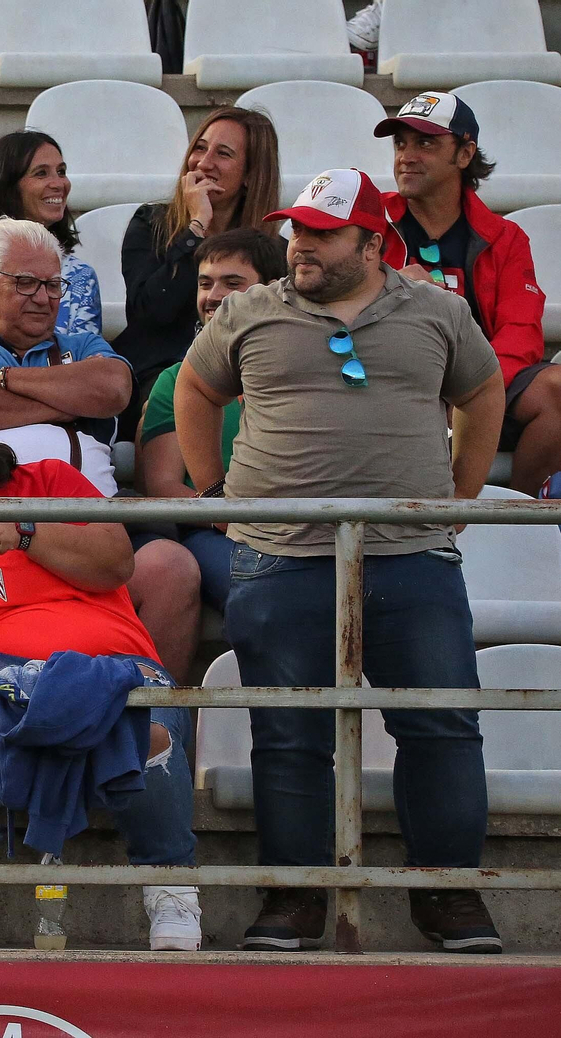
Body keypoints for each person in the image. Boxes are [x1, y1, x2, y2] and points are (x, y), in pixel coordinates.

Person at [174, 168, 507, 953]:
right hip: (281, 554)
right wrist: (216, 492)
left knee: (442, 725)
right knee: (289, 734)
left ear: (372, 240)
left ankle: (449, 896)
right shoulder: (249, 311)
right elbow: (193, 389)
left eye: (322, 234)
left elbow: (485, 394)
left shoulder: (438, 311)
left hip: (409, 554)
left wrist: (456, 500)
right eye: (298, 232)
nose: (301, 247)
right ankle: (294, 900)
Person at [0, 393, 200, 952]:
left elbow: (115, 563)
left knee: (150, 726)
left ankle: (170, 884)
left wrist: (27, 530)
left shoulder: (45, 480)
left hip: (112, 658)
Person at [0, 216, 201, 681]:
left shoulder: (81, 343)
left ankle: (160, 730)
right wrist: (63, 402)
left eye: (53, 285)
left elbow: (112, 390)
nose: (44, 298)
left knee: (172, 568)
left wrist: (6, 381)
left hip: (97, 523)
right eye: (26, 283)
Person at [373, 92, 554, 497]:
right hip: (384, 378)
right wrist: (392, 285)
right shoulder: (368, 220)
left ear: (464, 154)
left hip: (480, 384)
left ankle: (515, 516)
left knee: (556, 391)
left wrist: (476, 386)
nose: (406, 156)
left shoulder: (505, 238)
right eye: (400, 143)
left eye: (426, 143)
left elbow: (521, 331)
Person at [136, 228, 287, 615]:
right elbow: (163, 486)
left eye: (232, 283)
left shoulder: (303, 371)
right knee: (272, 596)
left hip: (300, 534)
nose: (213, 296)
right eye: (205, 283)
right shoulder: (175, 380)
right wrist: (234, 515)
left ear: (273, 289)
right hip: (214, 535)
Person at [113, 106, 281, 440]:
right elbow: (149, 312)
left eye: (224, 154)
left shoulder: (273, 250)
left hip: (245, 377)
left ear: (251, 173)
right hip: (161, 375)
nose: (203, 163)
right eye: (200, 148)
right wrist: (196, 228)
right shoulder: (150, 224)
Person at [0, 130, 101, 337]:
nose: (59, 184)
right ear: (8, 186)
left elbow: (88, 362)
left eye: (61, 172)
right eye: (41, 173)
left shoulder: (81, 276)